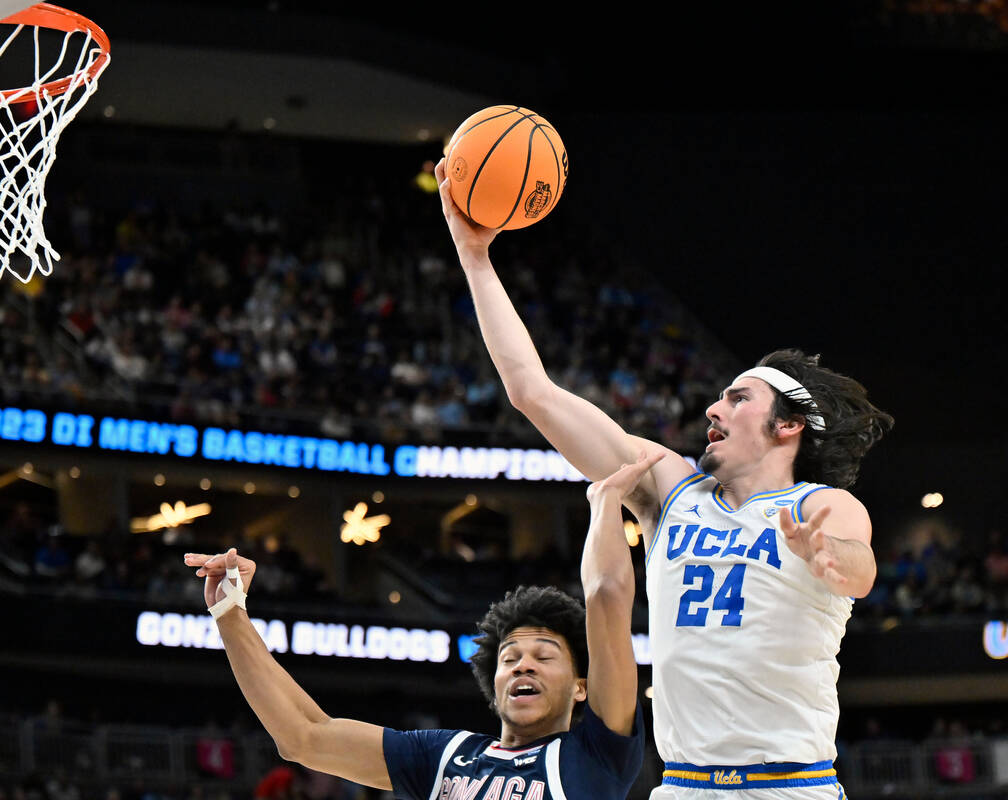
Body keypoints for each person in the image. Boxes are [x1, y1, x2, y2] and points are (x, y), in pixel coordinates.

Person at [433, 157, 894, 798]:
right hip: (680, 785)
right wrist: (477, 259)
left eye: (738, 399)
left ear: (788, 426)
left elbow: (860, 570)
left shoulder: (823, 505)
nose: (713, 408)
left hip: (792, 785)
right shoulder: (667, 487)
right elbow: (531, 391)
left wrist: (826, 554)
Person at [182, 453, 664, 800]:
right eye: (510, 657)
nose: (522, 666)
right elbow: (303, 736)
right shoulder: (444, 756)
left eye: (543, 654)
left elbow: (605, 599)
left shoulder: (597, 754)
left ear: (582, 687)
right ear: (493, 686)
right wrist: (230, 615)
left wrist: (603, 503)